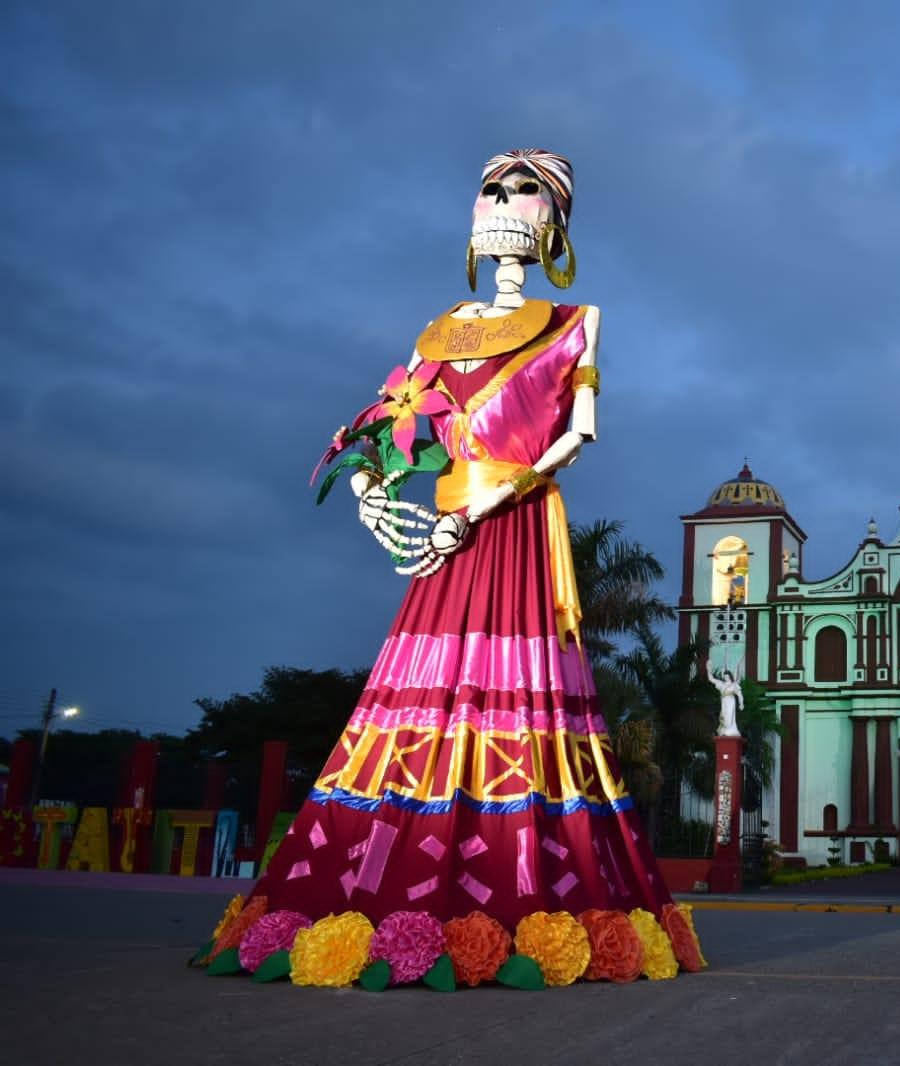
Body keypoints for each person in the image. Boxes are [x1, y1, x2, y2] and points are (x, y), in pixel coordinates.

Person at [205, 149, 700, 986]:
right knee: (421, 693)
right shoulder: (438, 330)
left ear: (556, 224)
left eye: (528, 192)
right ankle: (381, 892)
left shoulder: (575, 320)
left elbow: (577, 435)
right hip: (442, 530)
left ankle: (523, 894)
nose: (507, 202)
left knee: (520, 692)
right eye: (492, 189)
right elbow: (392, 422)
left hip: (508, 524)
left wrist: (473, 507)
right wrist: (369, 489)